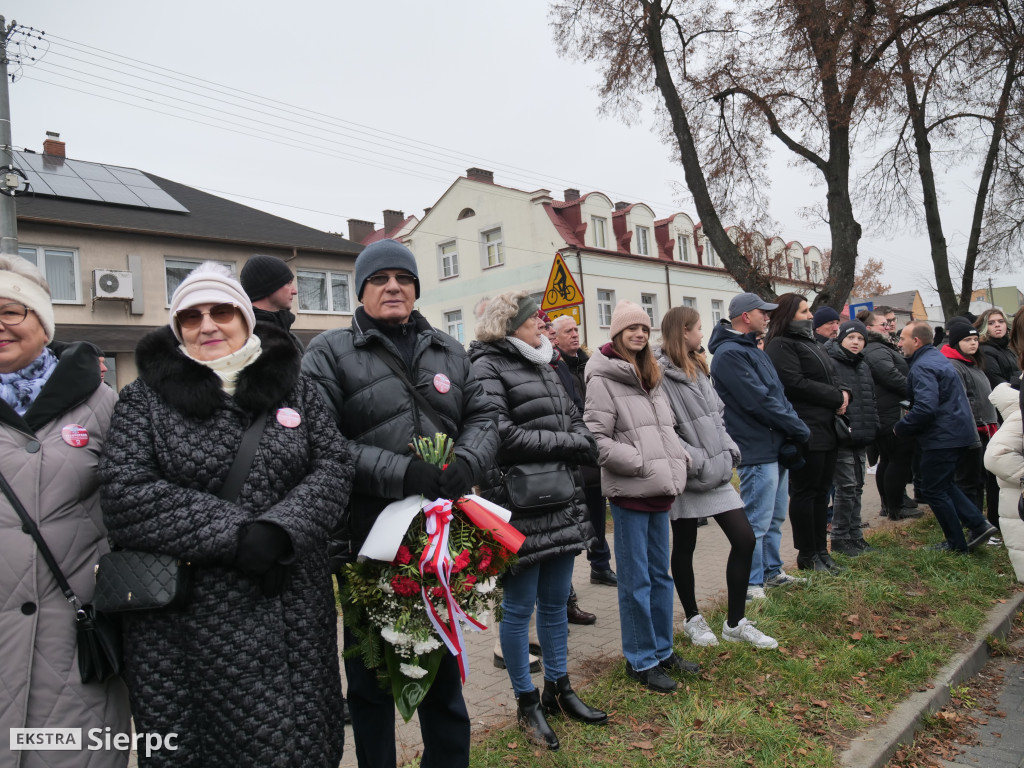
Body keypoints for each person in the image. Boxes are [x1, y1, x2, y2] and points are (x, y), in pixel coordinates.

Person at [98, 262, 352, 766]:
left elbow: (335, 466)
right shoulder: (143, 400)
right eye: (191, 316)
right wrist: (236, 534)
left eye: (221, 311)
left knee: (299, 742)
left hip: (291, 606)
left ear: (245, 316)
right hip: (186, 621)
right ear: (177, 328)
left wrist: (282, 529)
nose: (208, 325)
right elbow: (125, 491)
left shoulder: (297, 388)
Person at [301, 239, 497, 768]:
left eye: (403, 278)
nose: (393, 287)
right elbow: (323, 440)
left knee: (442, 671)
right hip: (369, 539)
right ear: (361, 290)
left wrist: (467, 464)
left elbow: (483, 418)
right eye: (380, 279)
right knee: (370, 677)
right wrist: (402, 473)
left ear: (415, 288)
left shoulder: (449, 351)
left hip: (441, 537)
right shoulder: (327, 352)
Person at [0, 256, 130, 767]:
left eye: (11, 311)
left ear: (42, 321)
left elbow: (131, 502)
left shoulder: (101, 403)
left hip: (76, 635)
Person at [470, 291, 605, 751]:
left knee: (553, 605)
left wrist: (577, 439)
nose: (544, 329)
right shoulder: (486, 365)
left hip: (560, 501)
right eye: (536, 323)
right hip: (518, 505)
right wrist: (567, 444)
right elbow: (500, 434)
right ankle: (526, 703)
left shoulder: (545, 364)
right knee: (518, 608)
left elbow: (576, 420)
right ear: (510, 327)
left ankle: (560, 689)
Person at [584, 301, 697, 693]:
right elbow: (596, 440)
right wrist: (642, 463)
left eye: (645, 329)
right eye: (632, 328)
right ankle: (640, 659)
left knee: (660, 576)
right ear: (617, 333)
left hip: (660, 491)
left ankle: (663, 652)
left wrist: (678, 457)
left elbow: (666, 428)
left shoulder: (652, 374)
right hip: (631, 492)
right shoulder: (602, 378)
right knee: (636, 581)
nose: (639, 334)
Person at [657, 307, 777, 649]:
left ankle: (736, 623)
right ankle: (693, 617)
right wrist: (693, 460)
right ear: (683, 332)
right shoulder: (659, 373)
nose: (701, 334)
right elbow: (664, 427)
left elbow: (717, 416)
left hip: (718, 470)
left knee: (744, 539)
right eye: (697, 328)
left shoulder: (698, 365)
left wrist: (728, 450)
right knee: (685, 546)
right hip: (690, 473)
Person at [708, 292, 810, 600]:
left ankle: (771, 572)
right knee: (756, 520)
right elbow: (759, 401)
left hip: (772, 447)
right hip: (755, 449)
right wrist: (797, 427)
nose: (767, 317)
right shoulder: (729, 354)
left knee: (775, 517)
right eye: (761, 312)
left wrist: (793, 427)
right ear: (745, 316)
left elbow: (777, 395)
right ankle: (751, 584)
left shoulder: (752, 349)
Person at [895, 320, 998, 553]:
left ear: (916, 341)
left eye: (903, 338)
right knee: (944, 484)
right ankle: (978, 525)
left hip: (942, 436)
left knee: (933, 489)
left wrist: (901, 427)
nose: (899, 343)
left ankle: (957, 542)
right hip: (959, 432)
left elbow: (926, 408)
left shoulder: (922, 366)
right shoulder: (937, 358)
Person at [765, 294, 850, 574]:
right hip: (805, 429)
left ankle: (821, 551)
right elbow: (794, 383)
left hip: (827, 427)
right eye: (804, 311)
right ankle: (807, 554)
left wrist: (843, 394)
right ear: (788, 315)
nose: (810, 315)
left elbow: (831, 374)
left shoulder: (811, 342)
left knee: (821, 492)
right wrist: (835, 396)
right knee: (805, 493)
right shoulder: (780, 345)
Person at [552, 314, 616, 587]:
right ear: (555, 338)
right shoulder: (554, 367)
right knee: (570, 518)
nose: (574, 335)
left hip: (593, 452)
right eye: (568, 331)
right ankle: (565, 584)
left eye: (576, 329)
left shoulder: (589, 365)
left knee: (597, 511)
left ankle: (600, 564)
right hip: (571, 453)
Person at [859, 311, 921, 521]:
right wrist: (914, 391)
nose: (887, 327)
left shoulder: (879, 347)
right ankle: (895, 506)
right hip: (889, 413)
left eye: (888, 324)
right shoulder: (875, 349)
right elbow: (890, 376)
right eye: (882, 325)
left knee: (888, 459)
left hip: (886, 411)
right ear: (869, 329)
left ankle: (891, 504)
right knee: (897, 459)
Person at [825, 320, 880, 556]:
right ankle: (839, 537)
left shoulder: (863, 364)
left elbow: (871, 398)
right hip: (842, 434)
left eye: (860, 338)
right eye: (851, 338)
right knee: (846, 486)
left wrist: (873, 425)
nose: (856, 342)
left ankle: (856, 535)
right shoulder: (831, 362)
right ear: (841, 339)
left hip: (861, 433)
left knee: (857, 486)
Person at [942, 321, 999, 528]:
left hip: (984, 429)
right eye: (967, 340)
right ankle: (972, 527)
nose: (973, 343)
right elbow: (961, 401)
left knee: (979, 480)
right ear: (956, 342)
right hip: (970, 431)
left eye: (975, 339)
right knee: (969, 482)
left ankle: (978, 523)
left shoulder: (972, 363)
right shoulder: (954, 366)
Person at [240, 254, 303, 352]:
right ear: (269, 287)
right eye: (288, 283)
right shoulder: (245, 343)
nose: (295, 291)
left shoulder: (289, 336)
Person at [976, 308, 1019, 388]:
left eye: (1001, 321)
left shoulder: (1009, 347)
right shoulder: (985, 350)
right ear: (984, 327)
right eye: (991, 323)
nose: (997, 325)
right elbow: (995, 380)